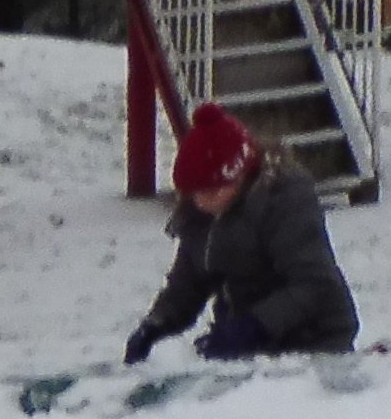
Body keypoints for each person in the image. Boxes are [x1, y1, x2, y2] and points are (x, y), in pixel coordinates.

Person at [126, 103, 360, 365]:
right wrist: (155, 326)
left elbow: (315, 284)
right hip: (248, 342)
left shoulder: (283, 201)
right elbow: (187, 284)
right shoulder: (201, 216)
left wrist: (254, 326)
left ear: (240, 176)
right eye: (194, 193)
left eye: (212, 191)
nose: (202, 201)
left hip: (315, 338)